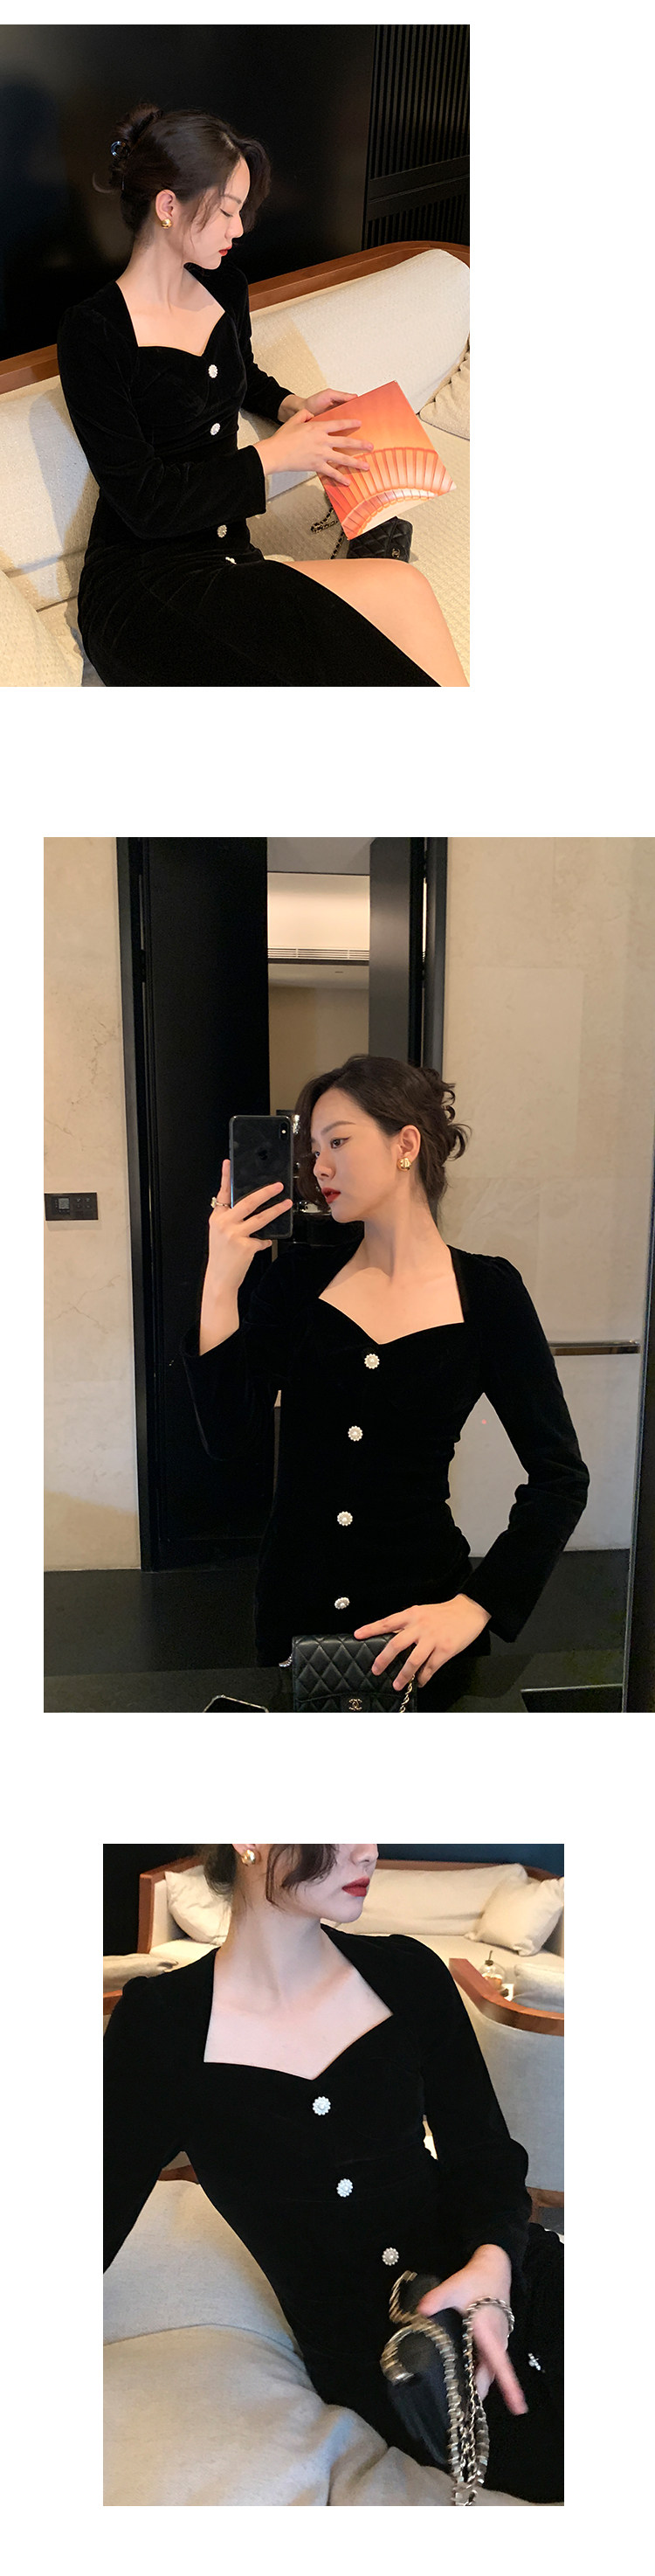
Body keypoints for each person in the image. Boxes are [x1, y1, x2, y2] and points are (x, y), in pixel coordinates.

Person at [104, 1843, 564, 2503]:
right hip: (408, 2371)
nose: (367, 1850)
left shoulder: (408, 1974)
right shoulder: (162, 2029)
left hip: (517, 2278)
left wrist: (494, 2266)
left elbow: (484, 2157)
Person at [183, 1054, 590, 1705]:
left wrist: (477, 1606)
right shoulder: (297, 1281)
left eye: (338, 1142)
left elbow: (560, 1478)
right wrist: (220, 1281)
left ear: (406, 1144)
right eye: (314, 1149)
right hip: (296, 1611)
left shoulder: (488, 1294)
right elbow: (230, 1439)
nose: (318, 1167)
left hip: (425, 1623)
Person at [57, 103, 467, 688]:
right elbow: (143, 502)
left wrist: (291, 406)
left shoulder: (226, 287)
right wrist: (277, 455)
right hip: (143, 585)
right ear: (168, 206)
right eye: (227, 210)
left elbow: (239, 372)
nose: (240, 229)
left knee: (405, 590)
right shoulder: (93, 331)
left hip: (229, 558)